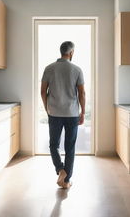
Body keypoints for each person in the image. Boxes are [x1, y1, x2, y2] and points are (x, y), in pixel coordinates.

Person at [41, 41, 85, 189]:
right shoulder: (77, 70)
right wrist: (83, 112)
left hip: (54, 112)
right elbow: (82, 93)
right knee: (70, 147)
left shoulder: (49, 68)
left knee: (53, 145)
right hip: (72, 113)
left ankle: (60, 170)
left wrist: (47, 108)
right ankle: (66, 181)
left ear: (61, 52)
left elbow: (43, 91)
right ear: (71, 52)